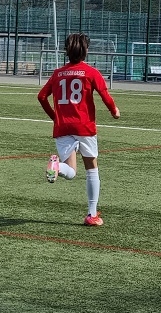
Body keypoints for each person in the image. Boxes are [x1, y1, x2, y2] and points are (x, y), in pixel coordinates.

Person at [37, 33, 120, 227]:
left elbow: (41, 97)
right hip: (84, 127)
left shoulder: (58, 74)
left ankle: (57, 167)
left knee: (71, 172)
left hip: (63, 127)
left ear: (66, 51)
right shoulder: (91, 72)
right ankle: (92, 214)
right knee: (92, 169)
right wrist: (114, 110)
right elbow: (105, 95)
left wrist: (55, 117)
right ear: (86, 50)